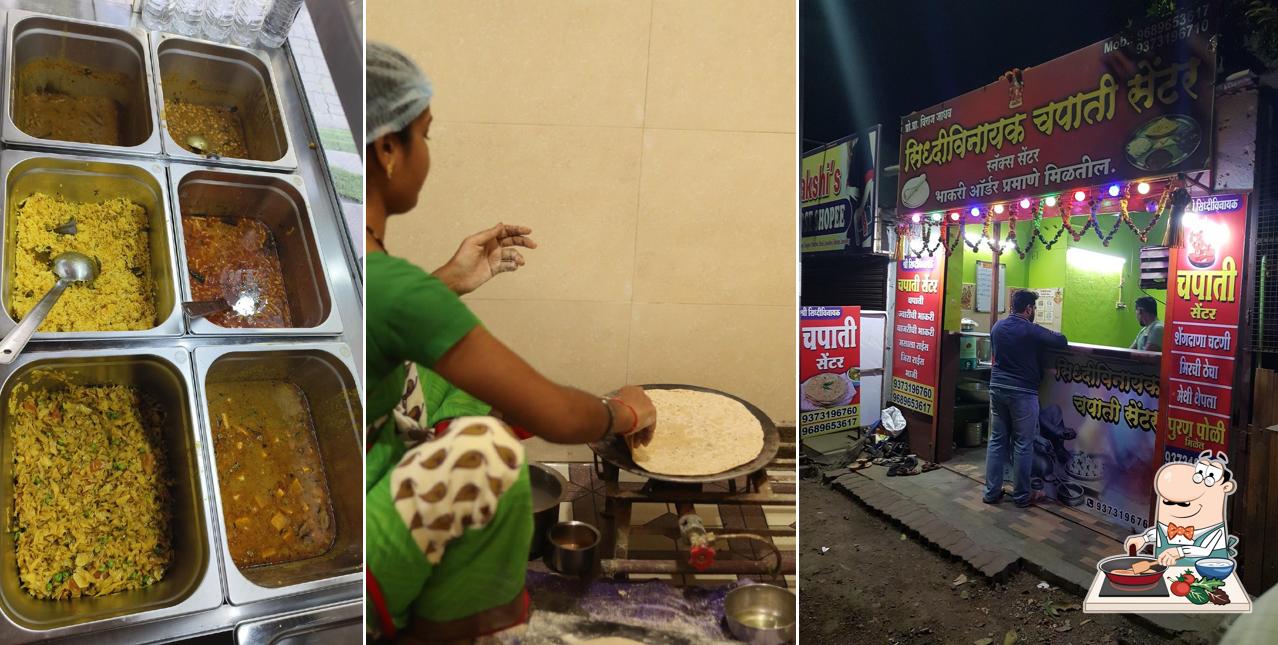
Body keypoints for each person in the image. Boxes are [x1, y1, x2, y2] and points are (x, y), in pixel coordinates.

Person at [363, 42, 657, 642]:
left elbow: (380, 316)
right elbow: (547, 410)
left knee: (444, 378)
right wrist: (624, 410)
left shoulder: (365, 258)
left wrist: (448, 280)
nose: (428, 155)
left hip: (359, 451)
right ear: (389, 149)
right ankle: (445, 628)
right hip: (359, 548)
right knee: (489, 449)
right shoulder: (396, 290)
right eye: (426, 135)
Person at [984, 289, 1067, 508]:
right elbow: (1062, 341)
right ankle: (1021, 496)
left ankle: (991, 492)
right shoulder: (1031, 330)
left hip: (997, 388)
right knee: (1023, 443)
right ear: (1028, 309)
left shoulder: (997, 327)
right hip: (1022, 393)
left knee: (996, 441)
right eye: (1034, 309)